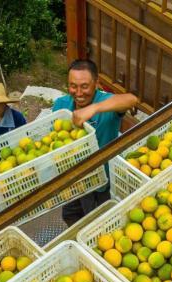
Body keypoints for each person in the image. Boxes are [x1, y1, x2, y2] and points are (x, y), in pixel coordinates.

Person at [52, 59, 137, 226]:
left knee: (98, 223)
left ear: (96, 83)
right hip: (73, 177)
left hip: (100, 180)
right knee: (70, 215)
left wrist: (93, 108)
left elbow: (131, 99)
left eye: (84, 86)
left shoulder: (105, 102)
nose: (78, 92)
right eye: (73, 86)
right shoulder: (61, 105)